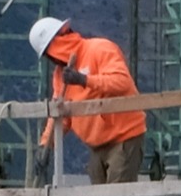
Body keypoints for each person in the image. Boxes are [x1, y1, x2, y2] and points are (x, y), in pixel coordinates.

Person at [30, 15, 147, 183]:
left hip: (124, 136)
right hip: (97, 146)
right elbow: (61, 115)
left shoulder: (99, 49)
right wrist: (46, 145)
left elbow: (122, 82)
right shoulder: (60, 76)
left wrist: (84, 80)